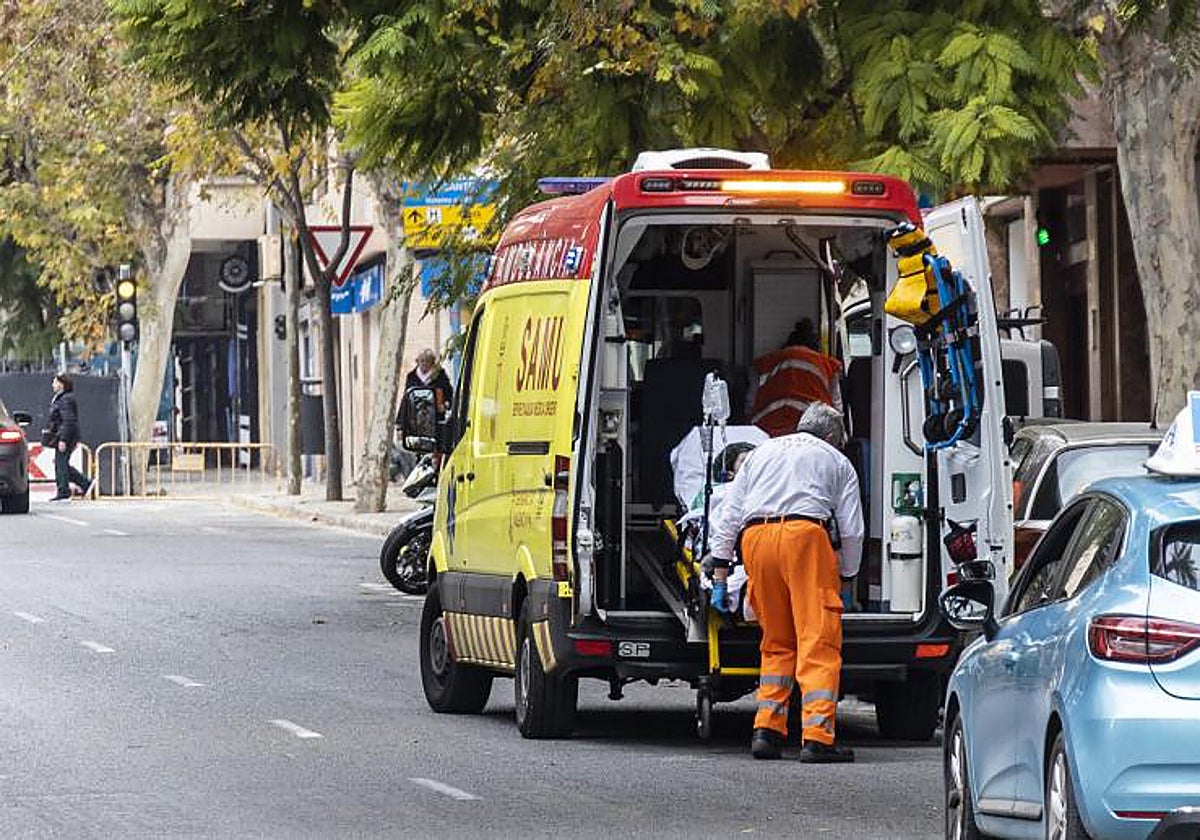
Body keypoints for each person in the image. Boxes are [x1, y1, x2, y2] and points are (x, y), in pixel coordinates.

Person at [707, 402, 863, 762]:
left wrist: (720, 568)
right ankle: (817, 738)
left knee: (776, 641)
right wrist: (848, 571)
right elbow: (852, 529)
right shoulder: (836, 461)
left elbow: (730, 513)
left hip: (756, 540)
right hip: (805, 538)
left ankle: (766, 731)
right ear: (830, 436)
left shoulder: (763, 452)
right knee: (818, 640)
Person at [749, 318, 843, 437]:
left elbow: (751, 399)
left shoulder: (771, 360)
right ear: (815, 345)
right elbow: (837, 405)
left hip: (770, 425)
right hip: (814, 427)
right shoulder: (826, 364)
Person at [47, 374, 94, 502]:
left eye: (55, 382)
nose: (52, 385)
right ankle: (86, 484)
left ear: (61, 384)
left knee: (60, 463)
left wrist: (63, 439)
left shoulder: (66, 399)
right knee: (61, 464)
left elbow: (68, 420)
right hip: (63, 435)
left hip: (67, 437)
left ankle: (64, 491)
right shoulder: (61, 398)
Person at [401, 349, 454, 421]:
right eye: (422, 360)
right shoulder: (411, 377)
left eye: (428, 361)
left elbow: (450, 395)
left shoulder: (440, 376)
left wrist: (445, 406)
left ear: (432, 363)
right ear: (417, 361)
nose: (424, 363)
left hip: (436, 419)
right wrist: (400, 422)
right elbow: (406, 399)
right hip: (415, 420)